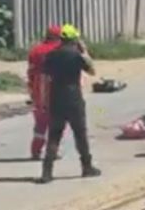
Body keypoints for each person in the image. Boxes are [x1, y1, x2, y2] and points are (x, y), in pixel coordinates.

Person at [38, 24, 101, 184]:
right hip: (74, 98)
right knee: (80, 134)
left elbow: (44, 80)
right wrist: (84, 51)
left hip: (56, 98)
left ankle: (47, 172)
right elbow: (92, 71)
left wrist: (44, 100)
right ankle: (87, 167)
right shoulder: (77, 55)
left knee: (54, 135)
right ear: (74, 39)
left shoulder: (51, 55)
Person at [27, 25, 63, 160]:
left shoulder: (36, 50)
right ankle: (53, 151)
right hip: (57, 87)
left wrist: (31, 89)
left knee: (41, 122)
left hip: (39, 88)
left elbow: (30, 72)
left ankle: (36, 150)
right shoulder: (61, 49)